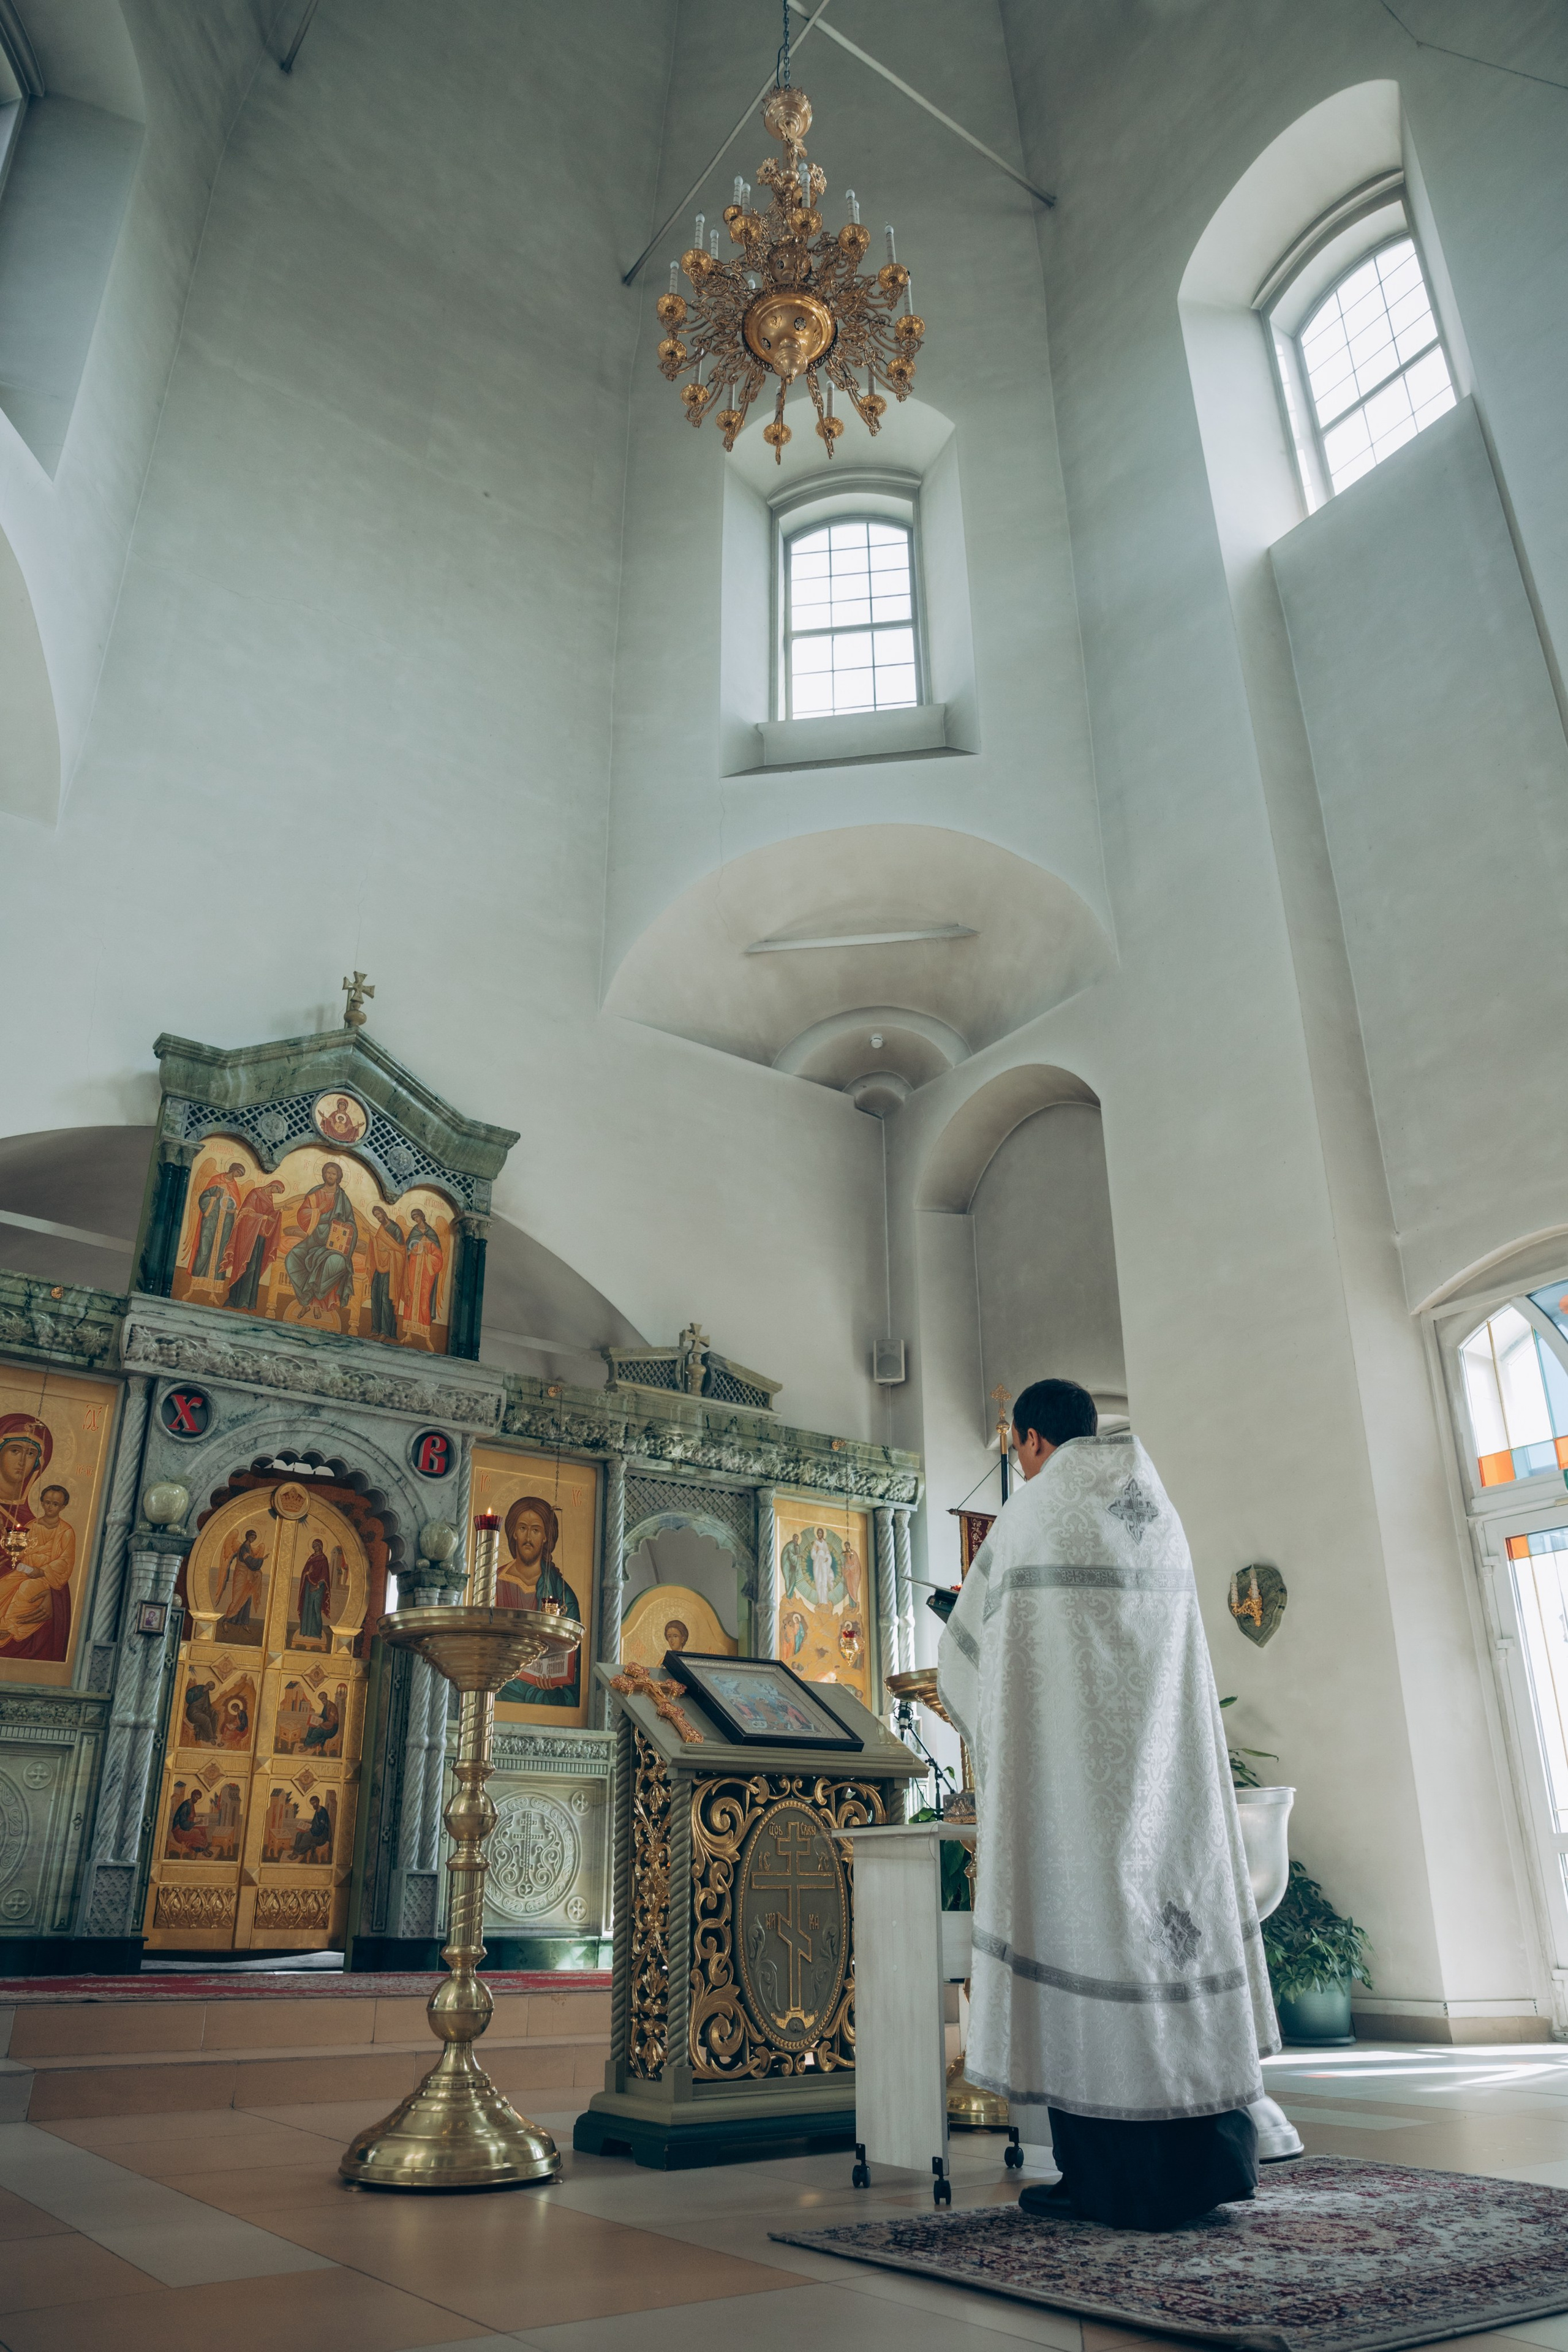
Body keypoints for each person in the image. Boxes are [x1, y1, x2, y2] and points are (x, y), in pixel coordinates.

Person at [938, 1377, 1275, 2233]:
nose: (1020, 1460)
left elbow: (972, 1662)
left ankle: (1106, 2182)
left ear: (1034, 1442)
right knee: (1172, 1948)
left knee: (1088, 1949)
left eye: (1018, 1447)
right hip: (1171, 1801)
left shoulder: (1035, 1514)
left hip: (1079, 1806)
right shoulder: (1156, 1513)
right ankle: (1210, 2167)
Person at [497, 1494, 583, 1706]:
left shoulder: (563, 1593)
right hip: (501, 1684)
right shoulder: (493, 1581)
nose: (528, 1537)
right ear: (514, 1533)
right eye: (523, 1528)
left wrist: (554, 1685)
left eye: (536, 1530)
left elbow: (573, 1651)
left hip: (543, 1688)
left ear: (546, 1537)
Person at [0, 1481, 74, 1660]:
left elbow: (66, 1560)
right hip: (25, 1571)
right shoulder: (32, 1526)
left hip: (45, 1578)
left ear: (63, 1506)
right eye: (47, 1502)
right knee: (3, 1585)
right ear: (41, 1502)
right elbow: (23, 1550)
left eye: (55, 1504)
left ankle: (7, 1626)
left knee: (26, 1589)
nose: (50, 1507)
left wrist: (41, 1571)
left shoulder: (66, 1531)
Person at [284, 1161, 359, 1327]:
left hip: (334, 1242)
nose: (330, 1176)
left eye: (333, 1174)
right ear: (324, 1175)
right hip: (315, 1238)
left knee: (333, 1262)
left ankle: (314, 1303)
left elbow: (352, 1223)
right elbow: (302, 1214)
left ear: (338, 1177)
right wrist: (318, 1211)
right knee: (292, 1257)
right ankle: (305, 1300)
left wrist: (344, 1230)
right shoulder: (316, 1193)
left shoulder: (343, 1198)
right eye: (328, 1173)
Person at [223, 1178, 285, 1310]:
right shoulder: (255, 1193)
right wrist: (263, 1217)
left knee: (254, 1269)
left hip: (259, 1238)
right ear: (272, 1184)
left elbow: (269, 1215)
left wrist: (279, 1212)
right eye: (277, 1189)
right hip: (247, 1236)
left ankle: (249, 1302)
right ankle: (235, 1300)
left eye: (278, 1192)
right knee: (244, 1265)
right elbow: (246, 1212)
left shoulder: (269, 1198)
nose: (276, 1192)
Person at [368, 1206, 405, 1341]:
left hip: (392, 1268)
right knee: (375, 1294)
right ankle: (376, 1329)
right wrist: (373, 1240)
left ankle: (386, 1331)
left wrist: (388, 1249)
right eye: (376, 1216)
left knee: (385, 1297)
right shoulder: (381, 1229)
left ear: (384, 1213)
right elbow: (378, 1243)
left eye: (379, 1214)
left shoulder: (395, 1229)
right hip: (380, 1266)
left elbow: (401, 1251)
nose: (378, 1217)